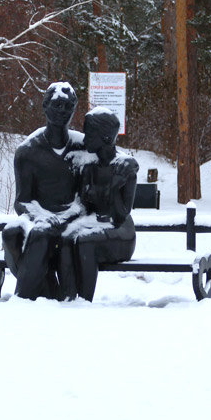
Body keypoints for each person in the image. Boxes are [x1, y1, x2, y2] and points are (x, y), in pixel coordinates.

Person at [1, 82, 84, 299]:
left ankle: (23, 299)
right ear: (45, 107)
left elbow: (85, 198)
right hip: (39, 217)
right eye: (57, 105)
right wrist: (42, 217)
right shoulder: (27, 151)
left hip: (73, 220)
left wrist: (63, 218)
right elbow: (23, 201)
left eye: (68, 107)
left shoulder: (82, 147)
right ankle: (48, 289)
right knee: (11, 235)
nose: (62, 112)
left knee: (41, 235)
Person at [63, 107, 138, 301]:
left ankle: (84, 300)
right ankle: (67, 297)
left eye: (90, 135)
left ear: (105, 138)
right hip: (94, 224)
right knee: (66, 238)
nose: (85, 140)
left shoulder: (124, 168)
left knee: (86, 240)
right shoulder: (89, 167)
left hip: (121, 231)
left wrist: (113, 189)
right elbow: (82, 205)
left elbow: (120, 215)